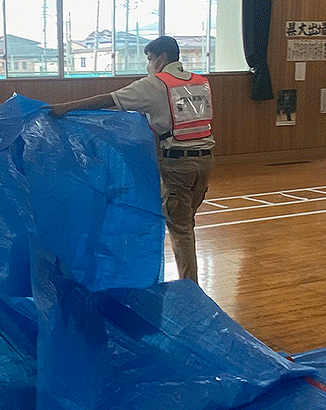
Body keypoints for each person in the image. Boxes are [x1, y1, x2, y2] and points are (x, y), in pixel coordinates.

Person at [49, 35, 213, 283]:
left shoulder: (155, 85)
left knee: (180, 230)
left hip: (178, 164)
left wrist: (67, 107)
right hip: (206, 162)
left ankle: (191, 289)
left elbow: (110, 100)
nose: (148, 65)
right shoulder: (201, 82)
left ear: (162, 58)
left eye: (149, 58)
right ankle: (190, 282)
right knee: (186, 222)